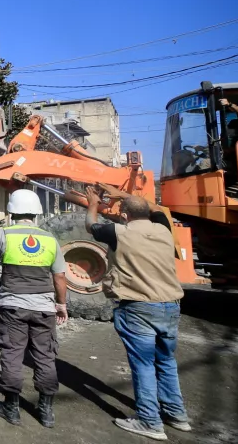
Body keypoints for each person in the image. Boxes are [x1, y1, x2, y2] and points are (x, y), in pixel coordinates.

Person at [84, 185, 189, 441]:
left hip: (139, 307)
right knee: (165, 361)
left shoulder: (120, 232)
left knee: (143, 364)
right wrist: (128, 197)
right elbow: (156, 209)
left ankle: (149, 421)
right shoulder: (164, 229)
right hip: (170, 305)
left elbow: (90, 226)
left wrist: (93, 202)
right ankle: (177, 415)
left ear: (125, 214)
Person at [0, 189, 68, 428]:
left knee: (12, 354)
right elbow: (60, 277)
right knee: (45, 356)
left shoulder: (2, 234)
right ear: (36, 212)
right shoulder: (50, 239)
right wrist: (61, 305)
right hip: (44, 308)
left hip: (12, 307)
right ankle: (46, 412)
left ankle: (11, 409)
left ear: (11, 211)